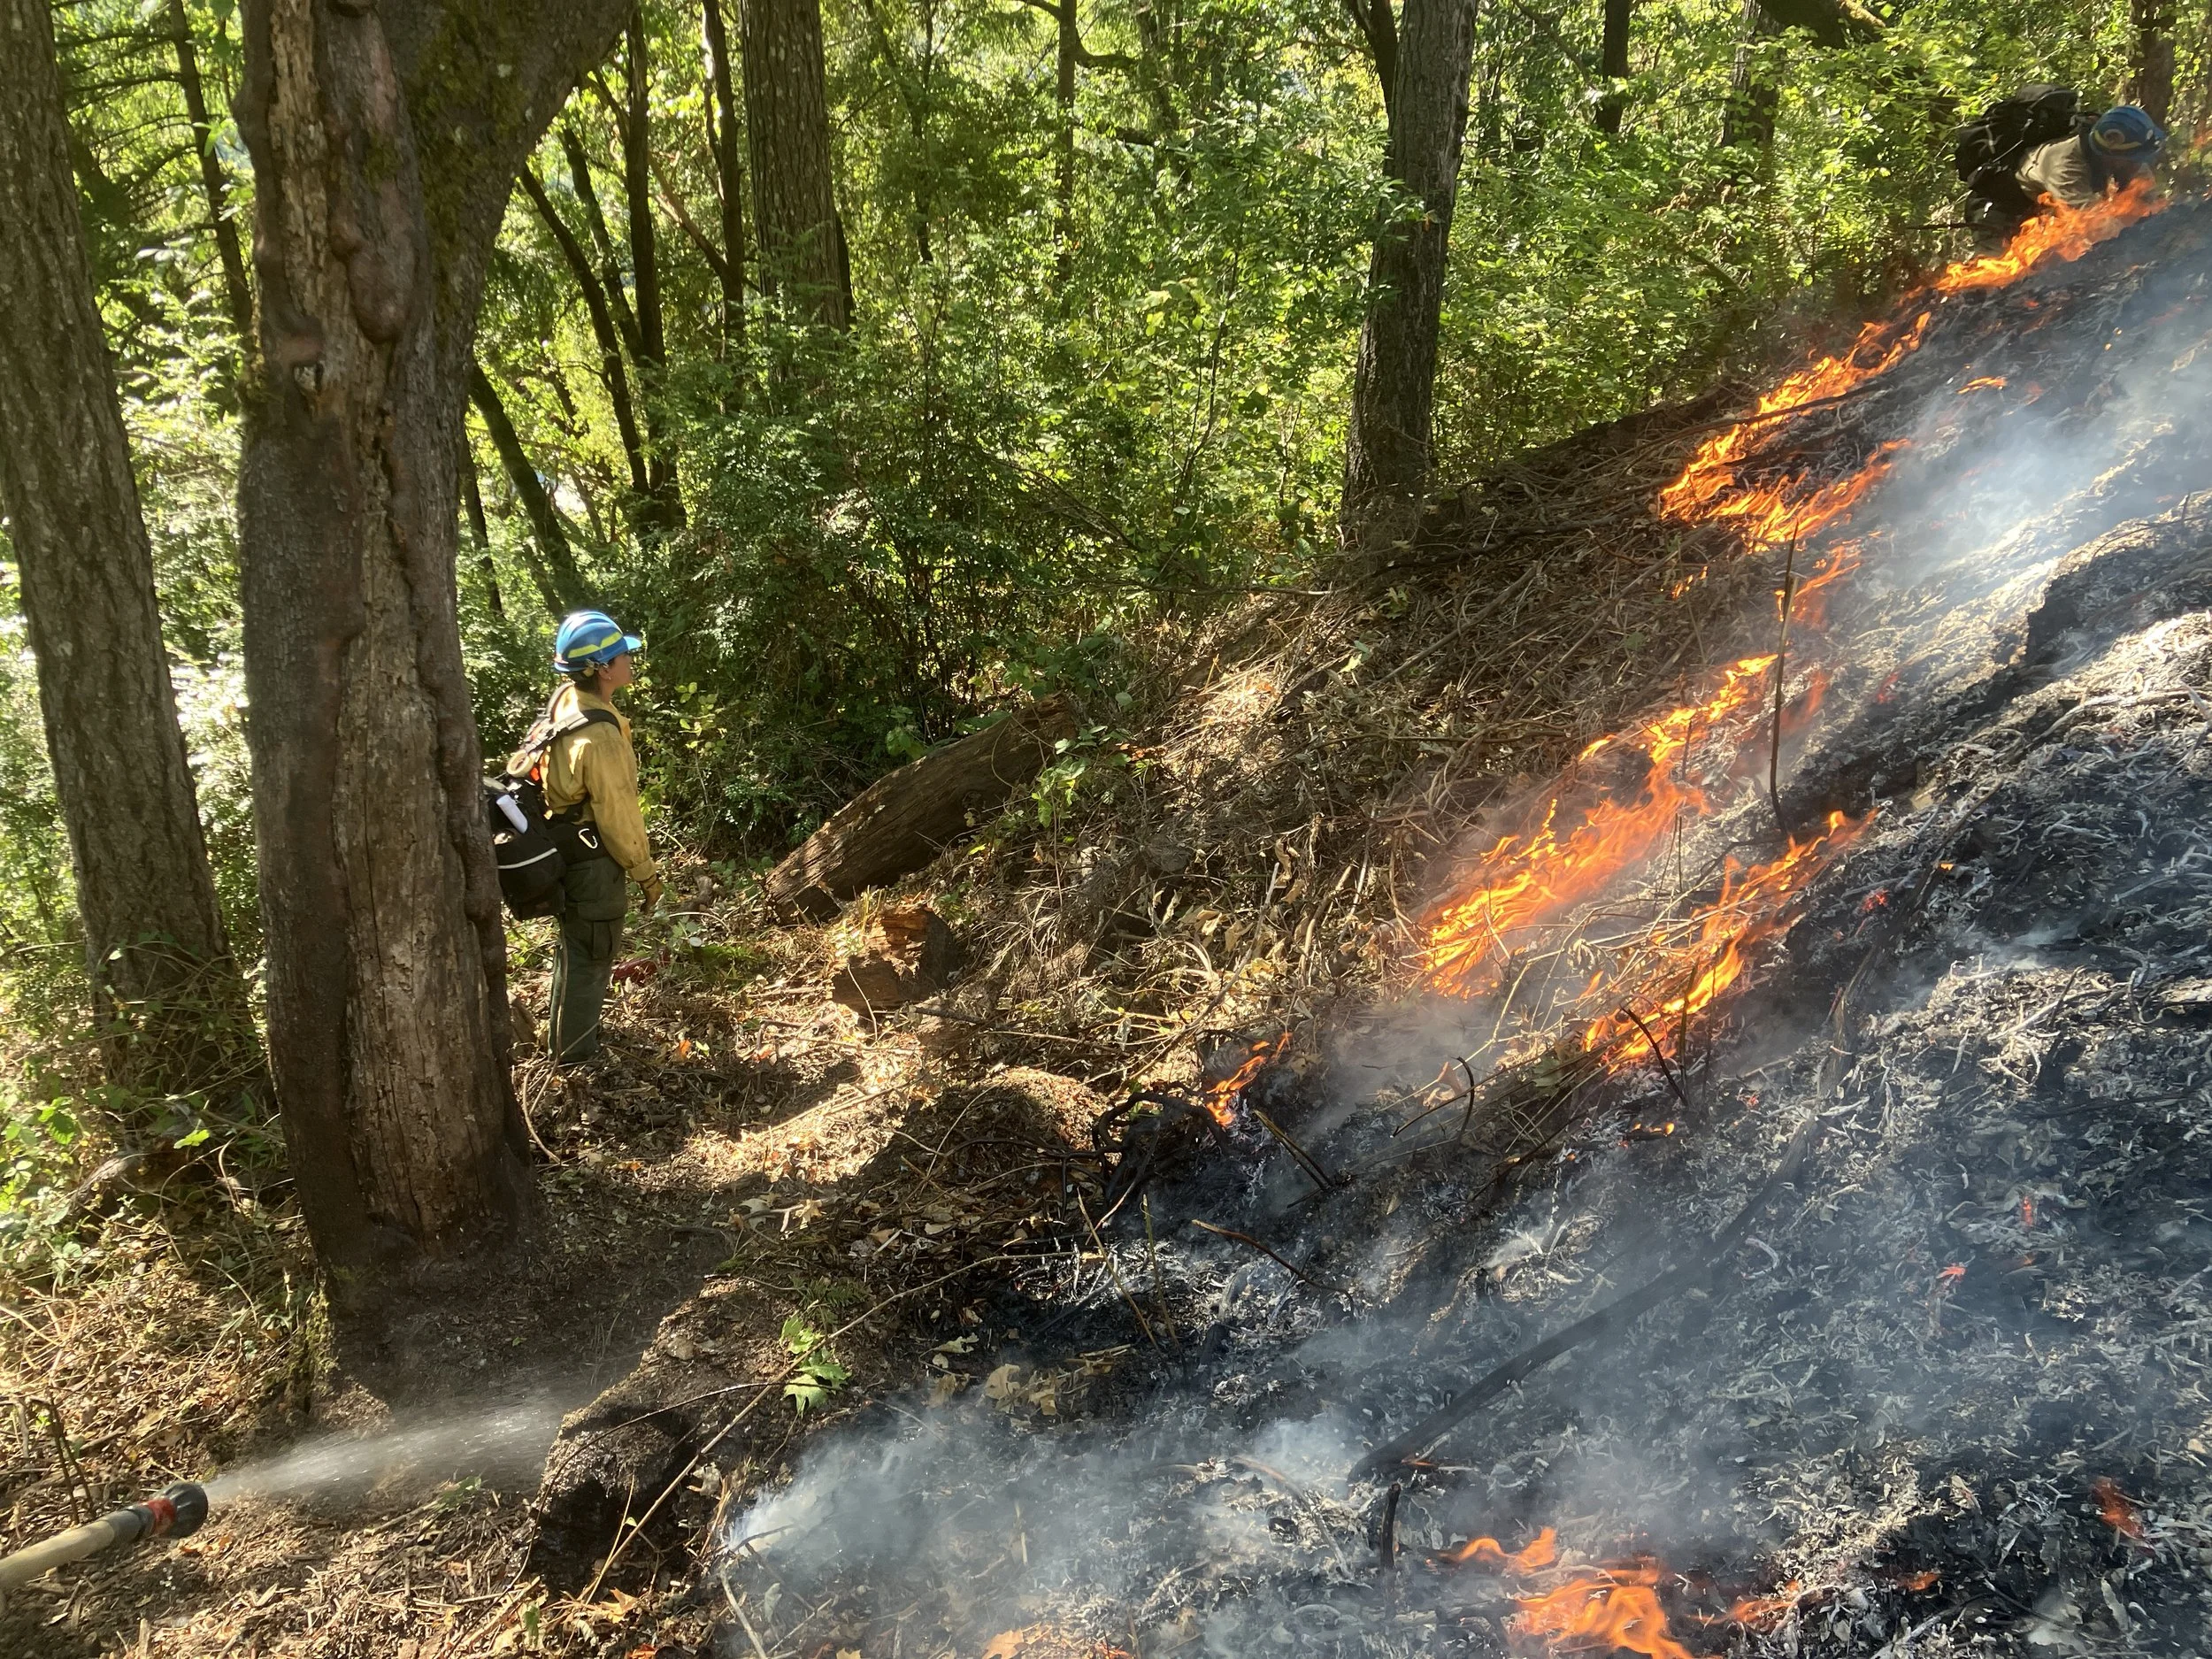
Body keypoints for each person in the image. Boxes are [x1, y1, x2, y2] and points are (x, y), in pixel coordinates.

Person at [511, 609, 662, 1063]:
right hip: (593, 861)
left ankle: (561, 1041)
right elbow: (618, 816)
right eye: (622, 655)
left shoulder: (568, 698)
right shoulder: (600, 737)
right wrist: (646, 876)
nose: (629, 660)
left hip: (566, 848)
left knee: (576, 948)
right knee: (593, 954)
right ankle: (574, 1057)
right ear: (602, 669)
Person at [2016, 104, 2167, 211]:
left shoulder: (2123, 154)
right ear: (2114, 157)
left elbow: (2147, 191)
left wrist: (2158, 208)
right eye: (2135, 159)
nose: (2139, 164)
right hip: (2022, 206)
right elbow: (2090, 223)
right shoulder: (2066, 170)